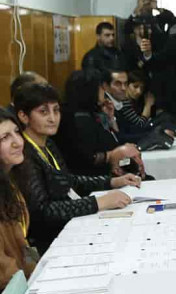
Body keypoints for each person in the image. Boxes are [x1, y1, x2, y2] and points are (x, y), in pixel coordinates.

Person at [13, 84, 140, 252]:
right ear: (23, 116)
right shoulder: (24, 155)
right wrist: (98, 202)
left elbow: (68, 181)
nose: (52, 118)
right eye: (43, 112)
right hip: (49, 240)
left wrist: (112, 182)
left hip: (67, 225)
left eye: (56, 110)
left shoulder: (47, 143)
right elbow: (44, 212)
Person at [57, 71, 145, 178]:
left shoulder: (92, 114)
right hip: (95, 177)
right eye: (101, 88)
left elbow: (114, 142)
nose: (104, 91)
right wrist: (113, 154)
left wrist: (110, 119)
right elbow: (86, 158)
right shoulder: (80, 119)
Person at [0, 109, 37, 289]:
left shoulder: (11, 181)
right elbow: (3, 268)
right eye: (5, 137)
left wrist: (37, 271)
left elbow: (22, 243)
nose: (18, 142)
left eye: (16, 132)